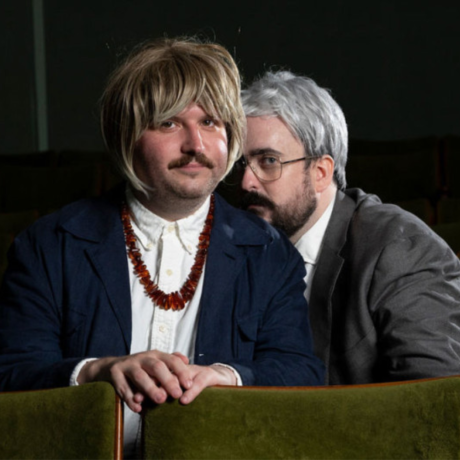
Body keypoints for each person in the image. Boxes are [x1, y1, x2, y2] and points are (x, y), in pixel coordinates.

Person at [0, 42, 324, 455]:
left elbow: (302, 374)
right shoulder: (48, 245)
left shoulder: (270, 253)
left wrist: (230, 377)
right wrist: (94, 372)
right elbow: (11, 375)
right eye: (169, 124)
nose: (196, 144)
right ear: (126, 136)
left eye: (210, 122)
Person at [239, 70, 460, 385]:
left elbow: (435, 400)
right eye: (241, 164)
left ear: (320, 172)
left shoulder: (399, 249)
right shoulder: (240, 243)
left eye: (269, 161)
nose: (247, 181)